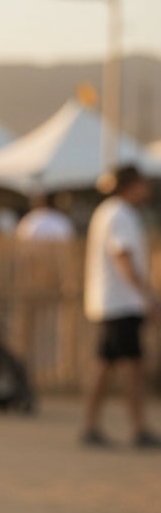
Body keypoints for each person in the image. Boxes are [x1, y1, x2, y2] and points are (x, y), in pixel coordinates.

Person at [81, 163, 160, 447]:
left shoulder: (108, 211)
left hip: (110, 302)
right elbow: (123, 257)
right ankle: (139, 428)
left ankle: (90, 426)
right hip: (121, 303)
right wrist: (148, 297)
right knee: (132, 367)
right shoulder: (120, 214)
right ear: (132, 185)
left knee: (104, 365)